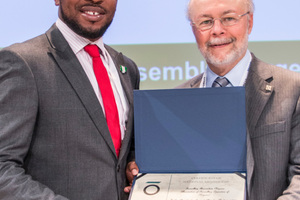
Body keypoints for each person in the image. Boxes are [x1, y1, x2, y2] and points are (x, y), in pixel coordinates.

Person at [126, 0, 300, 199]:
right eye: (206, 22)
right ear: (193, 30)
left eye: (229, 18)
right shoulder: (174, 102)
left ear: (249, 22)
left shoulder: (293, 89)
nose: (217, 30)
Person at [0, 0, 140, 199]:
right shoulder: (23, 62)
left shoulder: (127, 68)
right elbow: (3, 167)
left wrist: (132, 166)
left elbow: (120, 153)